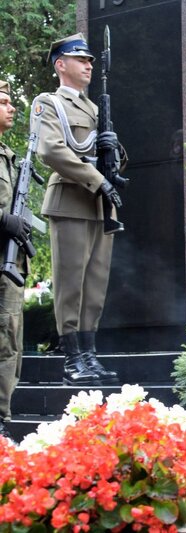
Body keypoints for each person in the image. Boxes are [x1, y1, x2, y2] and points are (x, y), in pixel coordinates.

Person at [36, 33, 122, 386]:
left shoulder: (95, 109)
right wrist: (97, 179)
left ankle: (89, 355)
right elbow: (51, 150)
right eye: (81, 59)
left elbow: (113, 161)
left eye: (89, 60)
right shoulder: (49, 103)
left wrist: (114, 151)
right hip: (71, 201)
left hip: (100, 206)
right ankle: (72, 359)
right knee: (71, 285)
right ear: (61, 65)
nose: (89, 65)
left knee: (95, 287)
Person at [0, 80, 28, 441]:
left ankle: (3, 418)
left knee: (11, 342)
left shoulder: (7, 154)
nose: (11, 107)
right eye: (4, 102)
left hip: (10, 264)